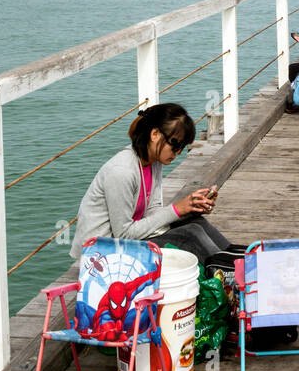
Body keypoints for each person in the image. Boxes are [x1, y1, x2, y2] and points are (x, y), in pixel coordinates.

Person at [71, 102, 245, 270]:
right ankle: (231, 272)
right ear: (155, 134)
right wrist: (177, 209)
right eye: (175, 144)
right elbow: (124, 235)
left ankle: (238, 259)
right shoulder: (121, 171)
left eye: (182, 147)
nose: (177, 152)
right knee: (189, 234)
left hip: (129, 241)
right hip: (102, 256)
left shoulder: (153, 162)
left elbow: (152, 215)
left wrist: (189, 209)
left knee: (196, 222)